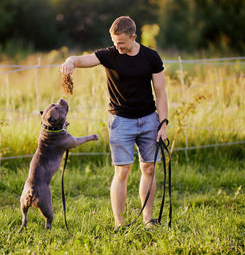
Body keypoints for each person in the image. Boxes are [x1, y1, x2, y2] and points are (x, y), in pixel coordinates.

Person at [60, 16, 168, 231]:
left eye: (122, 43)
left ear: (133, 37)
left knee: (148, 168)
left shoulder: (151, 57)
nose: (117, 47)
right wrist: (70, 61)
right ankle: (120, 224)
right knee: (123, 172)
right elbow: (84, 60)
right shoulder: (110, 55)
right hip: (120, 122)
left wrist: (163, 124)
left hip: (149, 120)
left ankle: (148, 220)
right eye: (114, 42)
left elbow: (161, 93)